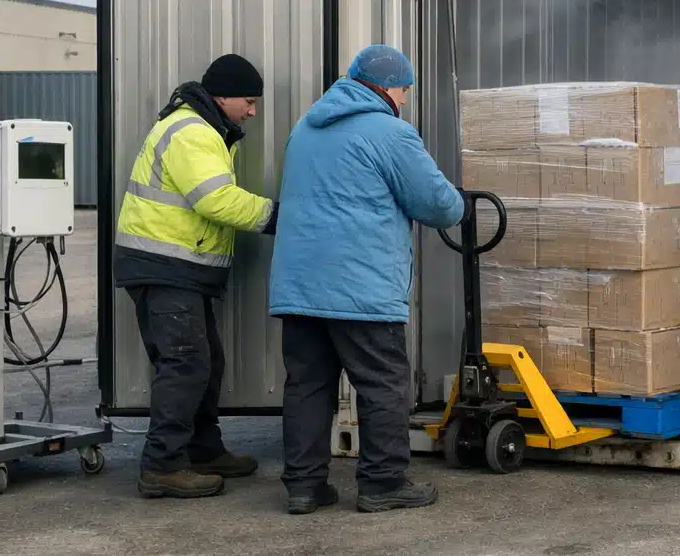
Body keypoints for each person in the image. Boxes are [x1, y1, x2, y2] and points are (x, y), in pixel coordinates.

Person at [268, 44, 465, 515]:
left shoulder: (305, 128)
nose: (404, 99)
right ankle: (382, 483)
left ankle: (304, 486)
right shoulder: (391, 132)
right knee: (381, 385)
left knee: (308, 386)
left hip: (299, 287)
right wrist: (459, 201)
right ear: (391, 88)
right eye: (404, 90)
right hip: (360, 288)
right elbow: (439, 206)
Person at [114, 53, 279, 500]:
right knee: (185, 364)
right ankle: (162, 467)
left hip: (179, 268)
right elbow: (215, 200)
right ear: (222, 96)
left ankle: (203, 449)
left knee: (206, 363)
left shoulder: (208, 130)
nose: (253, 111)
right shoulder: (192, 132)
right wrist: (277, 216)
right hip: (162, 266)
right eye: (248, 100)